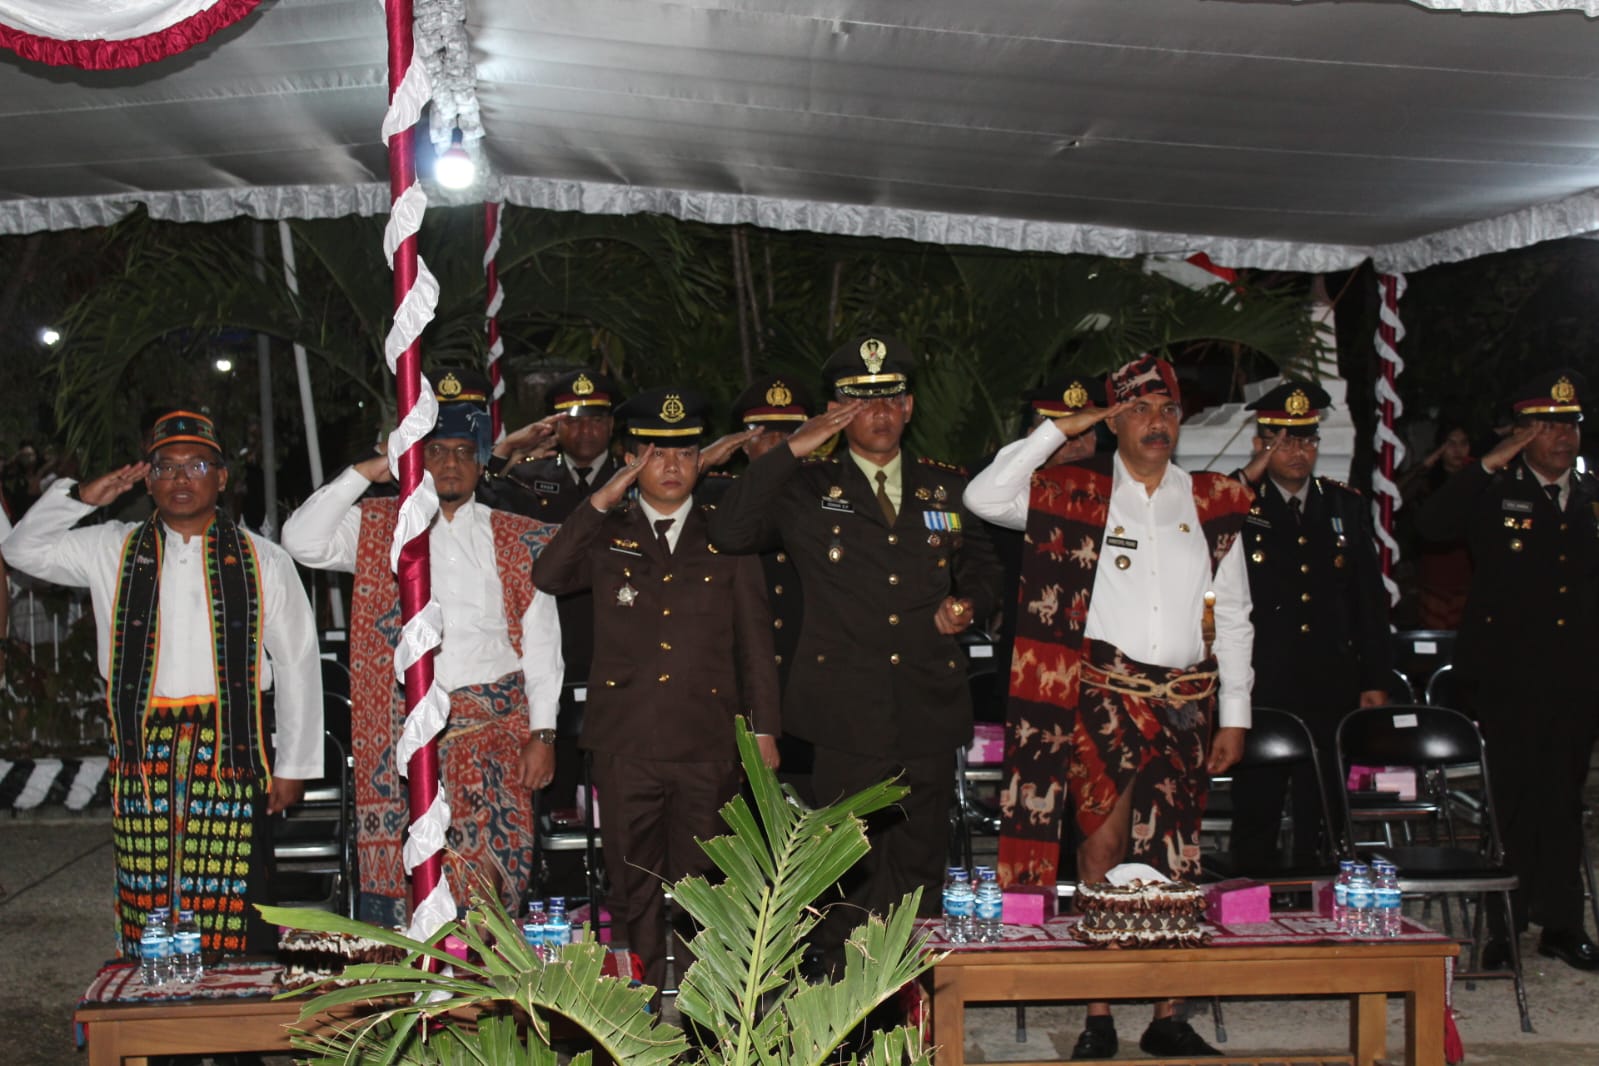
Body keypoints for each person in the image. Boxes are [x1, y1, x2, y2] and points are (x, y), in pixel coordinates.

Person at [964, 353, 1253, 1060]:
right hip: (1102, 698)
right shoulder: (1072, 490)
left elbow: (1235, 614)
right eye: (1137, 411)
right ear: (1112, 419)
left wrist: (1237, 711)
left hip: (1187, 700)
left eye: (1166, 412)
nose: (1155, 425)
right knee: (1102, 844)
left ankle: (1167, 1015)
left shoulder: (1213, 498)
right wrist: (1055, 430)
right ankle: (1097, 1011)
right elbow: (982, 497)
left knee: (1175, 853)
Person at [708, 334, 1003, 966]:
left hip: (927, 701)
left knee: (921, 856)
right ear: (838, 409)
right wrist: (792, 447)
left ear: (910, 406)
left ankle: (912, 998)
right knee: (849, 863)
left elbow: (984, 566)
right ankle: (843, 1004)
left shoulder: (944, 488)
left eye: (891, 398)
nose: (879, 413)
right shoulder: (806, 485)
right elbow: (730, 532)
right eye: (860, 400)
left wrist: (969, 603)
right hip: (843, 710)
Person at [1, 410, 323, 957]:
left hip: (229, 746)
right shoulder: (111, 546)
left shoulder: (262, 559)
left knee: (236, 894)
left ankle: (233, 1031)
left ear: (221, 478)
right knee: (150, 891)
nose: (180, 478)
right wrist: (80, 496)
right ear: (146, 480)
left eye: (197, 464)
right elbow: (20, 550)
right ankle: (162, 1027)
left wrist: (293, 766)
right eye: (165, 466)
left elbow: (297, 661)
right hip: (141, 749)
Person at [282, 370, 563, 925]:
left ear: (483, 462)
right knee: (419, 883)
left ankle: (484, 993)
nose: (450, 464)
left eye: (463, 452)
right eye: (435, 451)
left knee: (493, 885)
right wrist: (370, 471)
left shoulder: (518, 536)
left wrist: (544, 734)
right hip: (406, 742)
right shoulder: (378, 529)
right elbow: (301, 540)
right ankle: (420, 994)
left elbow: (543, 647)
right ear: (416, 459)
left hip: (496, 737)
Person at [530, 387, 781, 999]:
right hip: (627, 742)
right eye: (653, 453)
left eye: (685, 453)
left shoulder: (728, 534)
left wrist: (766, 729)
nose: (671, 466)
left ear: (702, 461)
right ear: (629, 458)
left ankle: (703, 1021)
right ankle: (638, 1012)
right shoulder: (605, 528)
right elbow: (549, 574)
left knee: (707, 888)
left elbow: (755, 642)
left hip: (709, 740)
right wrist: (604, 496)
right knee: (632, 885)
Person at [1416, 368, 1599, 972]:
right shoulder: (1493, 488)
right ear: (1523, 432)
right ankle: (1505, 925)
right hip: (1506, 675)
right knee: (1511, 801)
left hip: (1576, 674)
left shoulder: (1592, 488)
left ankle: (1562, 923)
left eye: (1569, 425)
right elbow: (1431, 527)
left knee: (1563, 800)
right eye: (1548, 426)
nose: (1563, 438)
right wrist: (1491, 461)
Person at [1227, 382, 1390, 870]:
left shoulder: (1344, 505)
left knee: (1323, 812)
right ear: (1261, 444)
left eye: (1307, 440)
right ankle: (1253, 908)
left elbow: (1369, 602)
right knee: (1257, 808)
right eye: (1284, 440)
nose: (1299, 453)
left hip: (1329, 682)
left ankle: (1319, 906)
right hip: (1262, 682)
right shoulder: (1239, 501)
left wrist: (1376, 679)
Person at [978, 378, 1102, 720]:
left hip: (1102, 658)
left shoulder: (1114, 486)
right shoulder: (996, 483)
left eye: (1084, 433)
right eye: (1063, 434)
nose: (1074, 447)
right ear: (1034, 436)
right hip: (1027, 653)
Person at [1400, 422, 1474, 630]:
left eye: (1463, 443)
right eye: (1451, 444)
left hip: (1469, 573)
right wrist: (1427, 463)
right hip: (1435, 573)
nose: (1458, 450)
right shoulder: (1427, 482)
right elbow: (1395, 496)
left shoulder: (1477, 477)